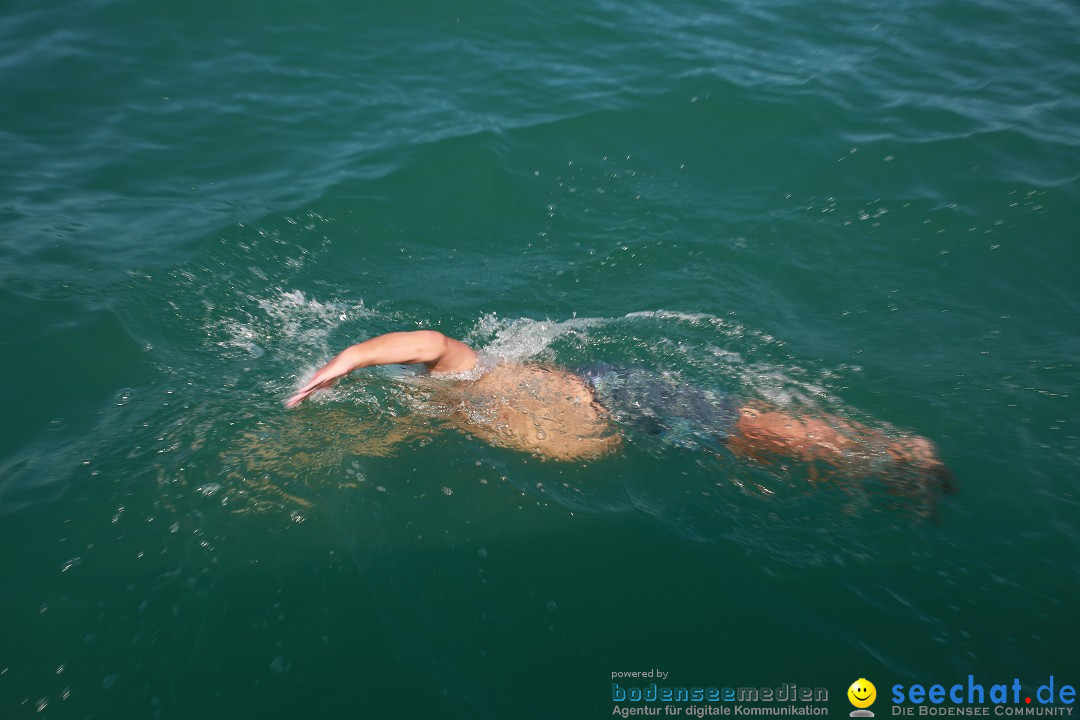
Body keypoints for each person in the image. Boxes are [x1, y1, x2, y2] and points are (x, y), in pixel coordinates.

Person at [286, 330, 953, 489]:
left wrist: (345, 360)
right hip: (614, 425)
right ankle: (881, 463)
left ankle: (901, 454)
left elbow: (428, 338)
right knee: (748, 444)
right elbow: (394, 438)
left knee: (751, 430)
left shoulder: (458, 367)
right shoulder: (434, 410)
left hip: (611, 395)